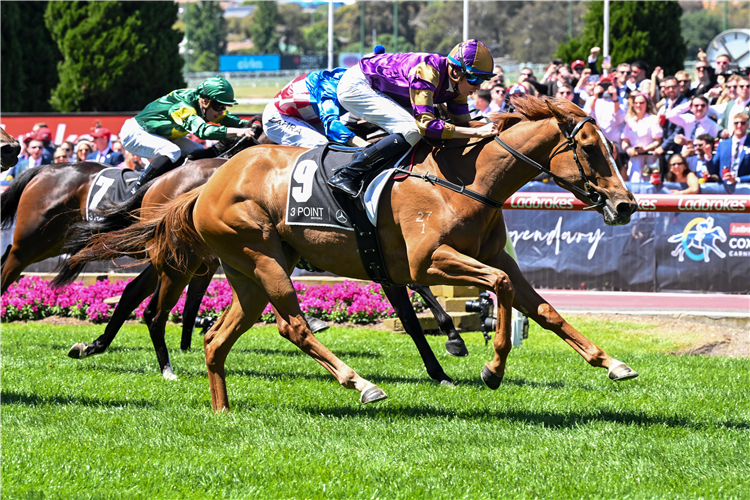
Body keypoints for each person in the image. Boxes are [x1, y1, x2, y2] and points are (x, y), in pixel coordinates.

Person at [328, 39, 499, 197]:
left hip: (382, 88)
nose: (478, 86)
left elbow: (463, 125)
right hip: (358, 85)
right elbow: (426, 126)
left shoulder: (457, 89)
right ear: (455, 72)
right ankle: (347, 174)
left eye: (483, 79)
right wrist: (477, 133)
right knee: (412, 130)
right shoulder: (427, 71)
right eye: (474, 78)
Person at [119, 76, 255, 196]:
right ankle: (135, 193)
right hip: (135, 133)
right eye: (220, 106)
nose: (221, 112)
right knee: (172, 151)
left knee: (200, 153)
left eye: (224, 107)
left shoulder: (204, 103)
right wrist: (237, 132)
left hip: (161, 135)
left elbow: (232, 121)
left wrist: (253, 124)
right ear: (205, 102)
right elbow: (203, 131)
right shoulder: (183, 105)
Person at [262, 68, 368, 148]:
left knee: (338, 146)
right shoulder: (329, 91)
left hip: (307, 118)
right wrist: (366, 146)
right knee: (321, 144)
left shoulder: (352, 77)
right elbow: (333, 125)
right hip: (278, 117)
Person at [620, 93, 663, 182]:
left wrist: (645, 149)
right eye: (636, 103)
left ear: (646, 104)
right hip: (634, 160)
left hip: (649, 159)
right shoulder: (630, 121)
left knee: (649, 184)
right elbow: (625, 141)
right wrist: (628, 149)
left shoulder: (653, 119)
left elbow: (658, 140)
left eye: (641, 103)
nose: (638, 105)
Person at [665, 95, 719, 163]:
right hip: (686, 155)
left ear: (707, 108)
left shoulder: (713, 125)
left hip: (701, 159)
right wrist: (688, 104)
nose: (699, 108)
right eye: (696, 105)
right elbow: (670, 116)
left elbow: (711, 144)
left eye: (703, 105)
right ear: (691, 107)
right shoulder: (688, 119)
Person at [709, 112, 750, 184]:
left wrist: (737, 180)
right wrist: (708, 156)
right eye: (736, 123)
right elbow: (713, 170)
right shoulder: (723, 144)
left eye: (742, 123)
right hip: (725, 188)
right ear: (733, 125)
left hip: (745, 187)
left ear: (747, 125)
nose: (739, 126)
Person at [718, 75, 750, 139]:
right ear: (737, 89)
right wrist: (722, 132)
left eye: (748, 86)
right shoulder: (730, 104)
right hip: (728, 142)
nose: (745, 88)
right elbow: (722, 124)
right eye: (741, 86)